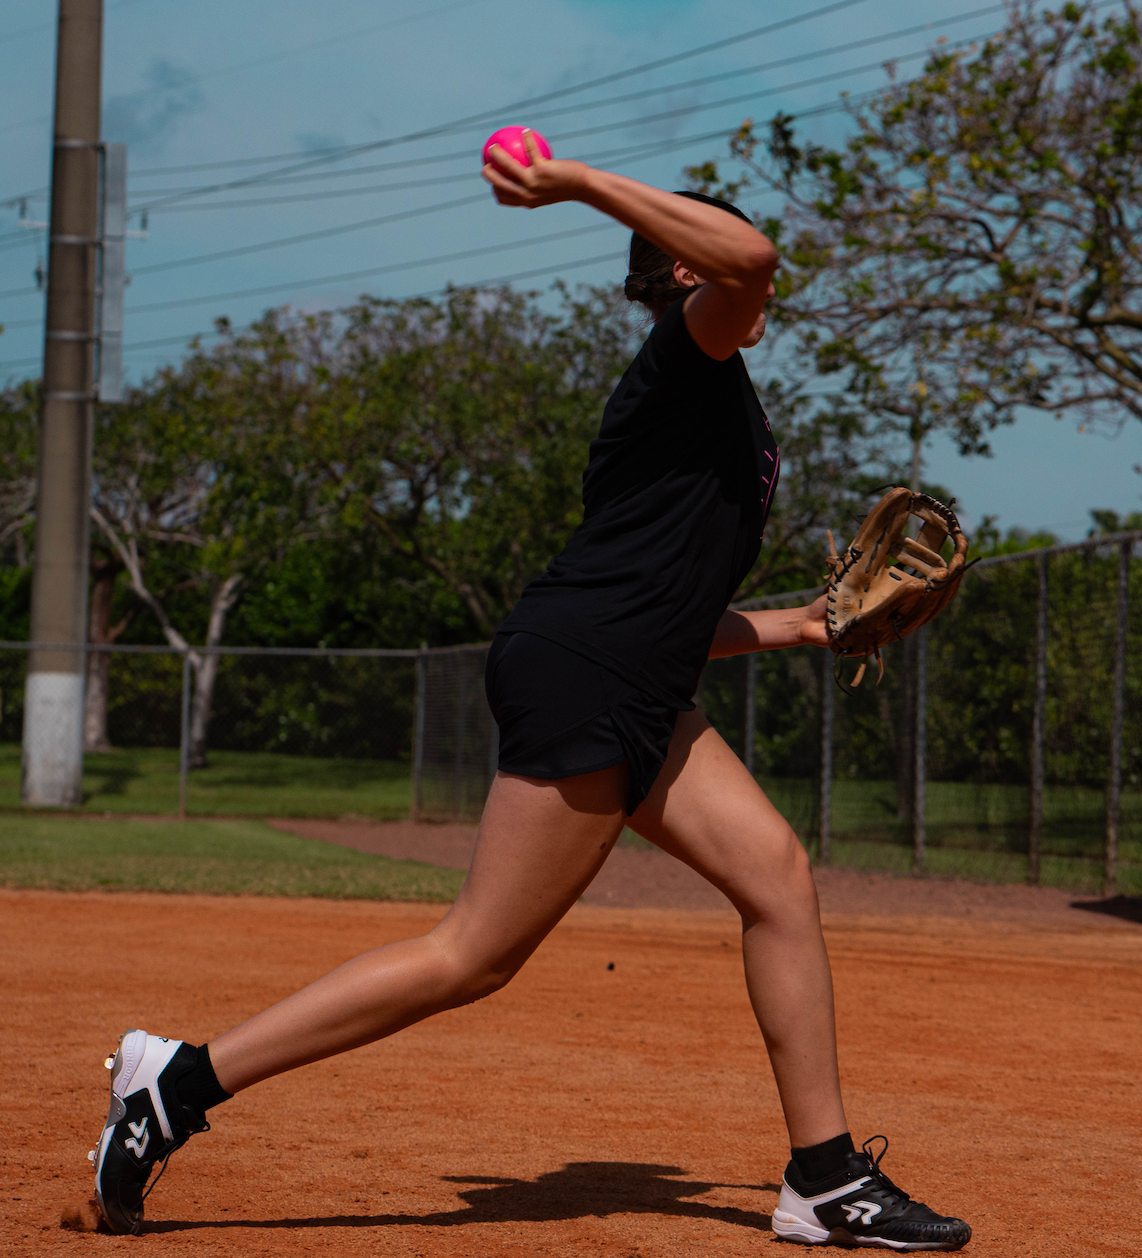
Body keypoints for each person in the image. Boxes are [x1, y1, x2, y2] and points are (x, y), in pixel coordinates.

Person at [90, 134, 971, 1251]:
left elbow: (664, 610)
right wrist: (578, 185)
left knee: (778, 880)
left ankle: (823, 1177)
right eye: (717, 267)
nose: (760, 294)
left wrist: (797, 623)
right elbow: (751, 257)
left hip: (632, 669)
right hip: (582, 670)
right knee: (474, 953)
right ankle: (176, 1086)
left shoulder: (713, 399)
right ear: (686, 273)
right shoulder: (684, 354)